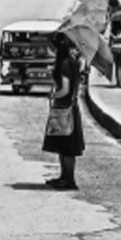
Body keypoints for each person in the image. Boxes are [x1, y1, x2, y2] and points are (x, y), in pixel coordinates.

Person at [42, 31, 86, 190]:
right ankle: (64, 177)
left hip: (64, 108)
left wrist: (53, 94)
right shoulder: (72, 62)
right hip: (70, 107)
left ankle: (69, 180)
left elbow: (65, 89)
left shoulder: (65, 64)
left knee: (67, 147)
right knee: (64, 145)